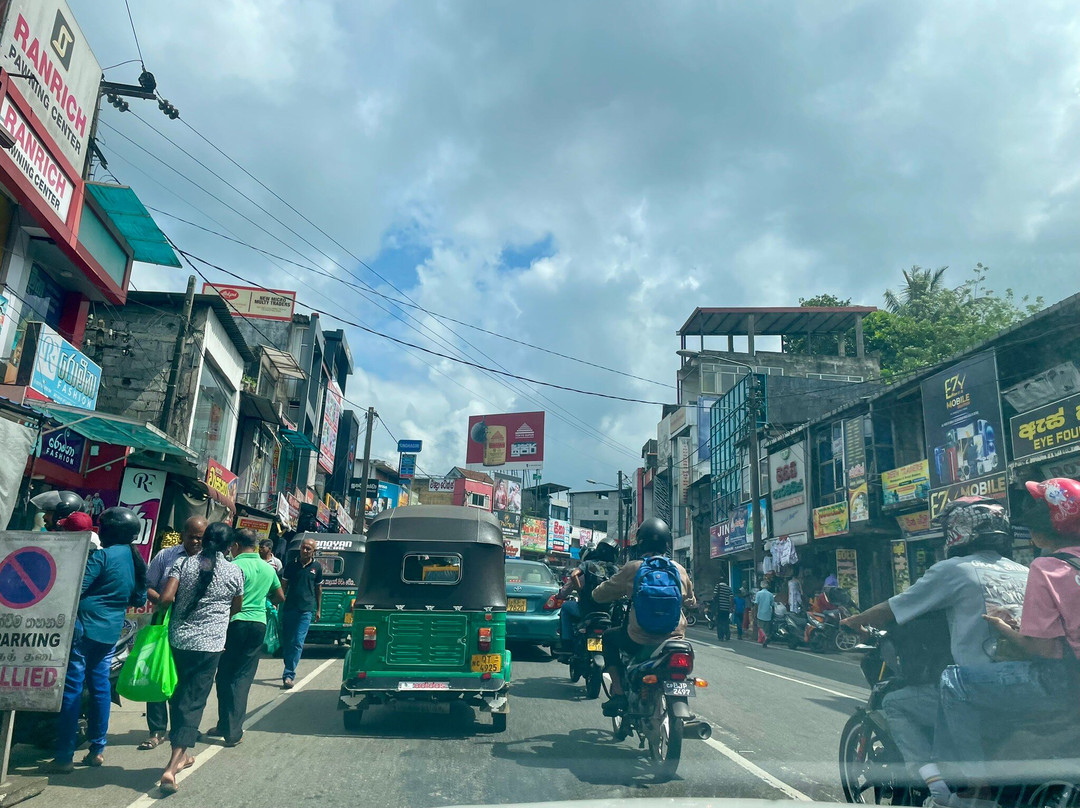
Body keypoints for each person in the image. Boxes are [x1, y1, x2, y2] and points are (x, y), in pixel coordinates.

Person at [841, 497, 1028, 807]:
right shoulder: (1024, 571)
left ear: (957, 531)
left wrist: (853, 622)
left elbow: (894, 607)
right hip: (1027, 687)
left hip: (975, 690)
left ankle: (936, 786)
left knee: (895, 703)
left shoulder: (953, 570)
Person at [933, 480, 1080, 796]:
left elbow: (1045, 648)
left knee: (953, 680)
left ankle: (973, 784)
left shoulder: (1047, 566)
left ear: (1041, 530)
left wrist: (1002, 628)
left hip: (1061, 683)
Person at [52, 508, 147, 772]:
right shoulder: (135, 559)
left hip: (83, 630)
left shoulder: (102, 556)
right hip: (110, 632)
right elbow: (138, 599)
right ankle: (97, 750)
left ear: (110, 530)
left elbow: (75, 590)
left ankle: (63, 756)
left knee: (72, 691)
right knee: (100, 689)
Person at [156, 523, 244, 795]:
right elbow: (236, 608)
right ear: (230, 546)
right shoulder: (234, 571)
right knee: (193, 701)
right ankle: (172, 765)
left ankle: (180, 754)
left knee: (178, 696)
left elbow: (166, 598)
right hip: (210, 647)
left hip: (179, 641)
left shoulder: (183, 564)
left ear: (203, 540)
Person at [592, 517, 696, 717]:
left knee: (608, 638)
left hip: (638, 638)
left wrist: (595, 594)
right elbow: (692, 601)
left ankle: (619, 694)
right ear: (667, 543)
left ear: (640, 543)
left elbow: (602, 593)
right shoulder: (679, 569)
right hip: (673, 640)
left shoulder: (633, 568)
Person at [206, 529, 285, 746]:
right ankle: (229, 727)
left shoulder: (234, 566)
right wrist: (261, 598)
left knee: (225, 675)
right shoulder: (267, 569)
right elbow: (280, 596)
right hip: (258, 624)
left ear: (236, 545)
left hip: (234, 623)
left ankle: (229, 728)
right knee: (243, 677)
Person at [138, 516, 207, 751]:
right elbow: (146, 585)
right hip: (162, 623)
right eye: (192, 537)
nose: (197, 541)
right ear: (182, 534)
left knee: (186, 681)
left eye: (201, 537)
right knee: (158, 674)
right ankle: (157, 730)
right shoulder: (165, 556)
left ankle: (185, 728)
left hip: (194, 630)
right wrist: (165, 603)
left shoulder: (211, 560)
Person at [555, 537, 619, 652]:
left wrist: (580, 590)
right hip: (608, 612)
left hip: (586, 610)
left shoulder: (587, 564)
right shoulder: (614, 569)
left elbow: (574, 575)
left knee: (565, 607)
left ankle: (566, 643)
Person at [280, 537, 322, 689]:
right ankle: (288, 666)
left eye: (308, 549)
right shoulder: (291, 566)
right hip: (290, 608)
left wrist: (318, 609)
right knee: (288, 641)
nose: (304, 551)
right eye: (303, 548)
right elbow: (283, 586)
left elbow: (318, 590)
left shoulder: (317, 567)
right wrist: (278, 604)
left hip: (306, 610)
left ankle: (289, 674)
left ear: (314, 551)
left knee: (298, 642)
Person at [711, 575, 735, 641]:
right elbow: (731, 598)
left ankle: (721, 636)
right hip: (726, 608)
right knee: (726, 622)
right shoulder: (729, 588)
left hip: (719, 608)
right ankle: (727, 635)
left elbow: (715, 596)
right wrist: (731, 607)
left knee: (719, 622)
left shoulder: (718, 587)